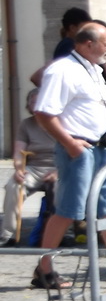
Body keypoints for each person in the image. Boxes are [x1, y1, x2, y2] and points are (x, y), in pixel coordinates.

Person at [31, 23, 106, 289]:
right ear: (86, 44)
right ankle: (44, 269)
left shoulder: (95, 69)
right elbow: (44, 113)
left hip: (104, 149)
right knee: (68, 210)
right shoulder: (63, 70)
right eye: (105, 42)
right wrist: (69, 143)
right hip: (80, 151)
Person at [4, 89, 58, 246]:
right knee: (13, 186)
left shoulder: (60, 122)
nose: (36, 105)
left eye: (39, 101)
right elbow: (19, 152)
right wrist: (19, 169)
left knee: (61, 189)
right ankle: (9, 234)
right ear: (28, 105)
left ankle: (60, 234)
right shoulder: (26, 125)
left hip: (58, 167)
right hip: (34, 168)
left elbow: (71, 153)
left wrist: (58, 171)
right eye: (32, 102)